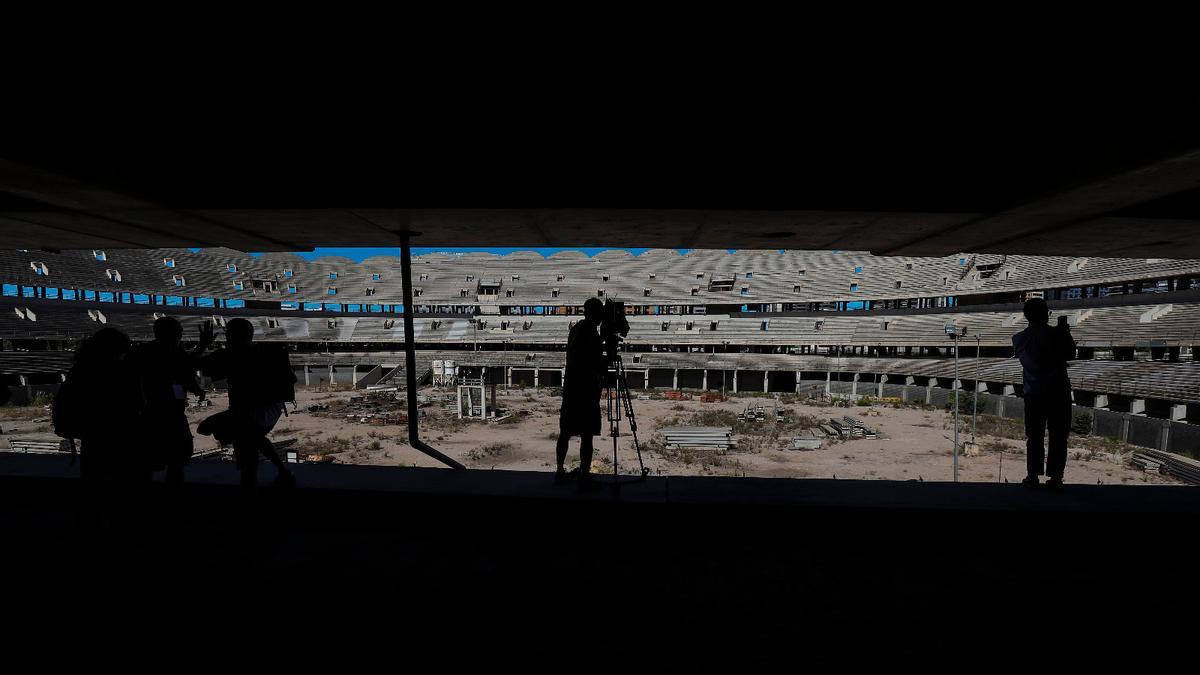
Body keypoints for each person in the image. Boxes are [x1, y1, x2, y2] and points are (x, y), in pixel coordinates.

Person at [194, 319, 297, 489]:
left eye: (228, 333)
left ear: (229, 335)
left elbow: (192, 365)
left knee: (211, 429)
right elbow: (292, 379)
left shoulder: (229, 355)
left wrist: (202, 345)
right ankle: (281, 472)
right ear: (250, 334)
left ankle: (255, 484)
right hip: (271, 411)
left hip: (247, 414)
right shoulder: (266, 352)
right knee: (253, 438)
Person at [57, 328, 146, 486]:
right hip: (122, 437)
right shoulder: (124, 372)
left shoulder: (79, 370)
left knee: (93, 479)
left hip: (91, 437)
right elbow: (138, 404)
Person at [127, 317, 207, 485]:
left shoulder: (146, 352)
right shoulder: (159, 353)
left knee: (158, 462)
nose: (181, 333)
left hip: (159, 415)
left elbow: (183, 370)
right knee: (171, 462)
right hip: (159, 416)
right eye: (178, 330)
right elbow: (182, 369)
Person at [1012, 298, 1076, 491]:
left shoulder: (1019, 338)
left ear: (1026, 316)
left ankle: (1032, 476)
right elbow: (1070, 353)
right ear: (1046, 313)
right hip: (1058, 393)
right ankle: (1055, 478)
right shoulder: (1057, 334)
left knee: (1034, 436)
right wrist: (1065, 333)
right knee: (1058, 437)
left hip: (1033, 393)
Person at [554, 298, 607, 492]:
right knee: (587, 436)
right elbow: (592, 363)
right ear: (595, 313)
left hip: (571, 390)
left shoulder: (576, 329)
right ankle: (584, 477)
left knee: (565, 433)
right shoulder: (590, 333)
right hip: (585, 392)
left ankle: (559, 471)